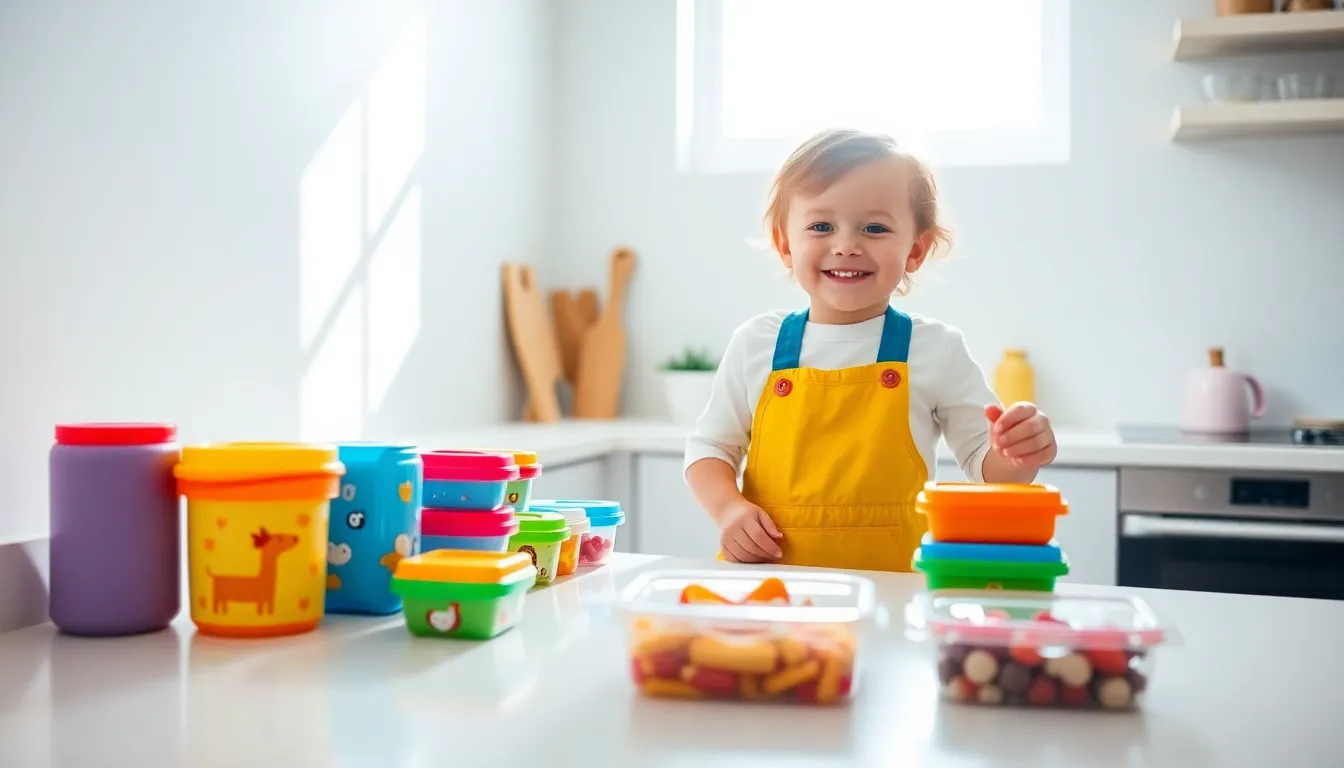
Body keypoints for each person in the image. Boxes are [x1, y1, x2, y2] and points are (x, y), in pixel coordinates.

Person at [683, 128, 1058, 570]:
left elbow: (985, 466)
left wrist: (1019, 454)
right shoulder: (755, 343)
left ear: (915, 250)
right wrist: (729, 510)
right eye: (821, 226)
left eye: (874, 228)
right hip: (772, 591)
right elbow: (708, 450)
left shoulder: (936, 349)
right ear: (786, 244)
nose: (846, 245)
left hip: (893, 595)